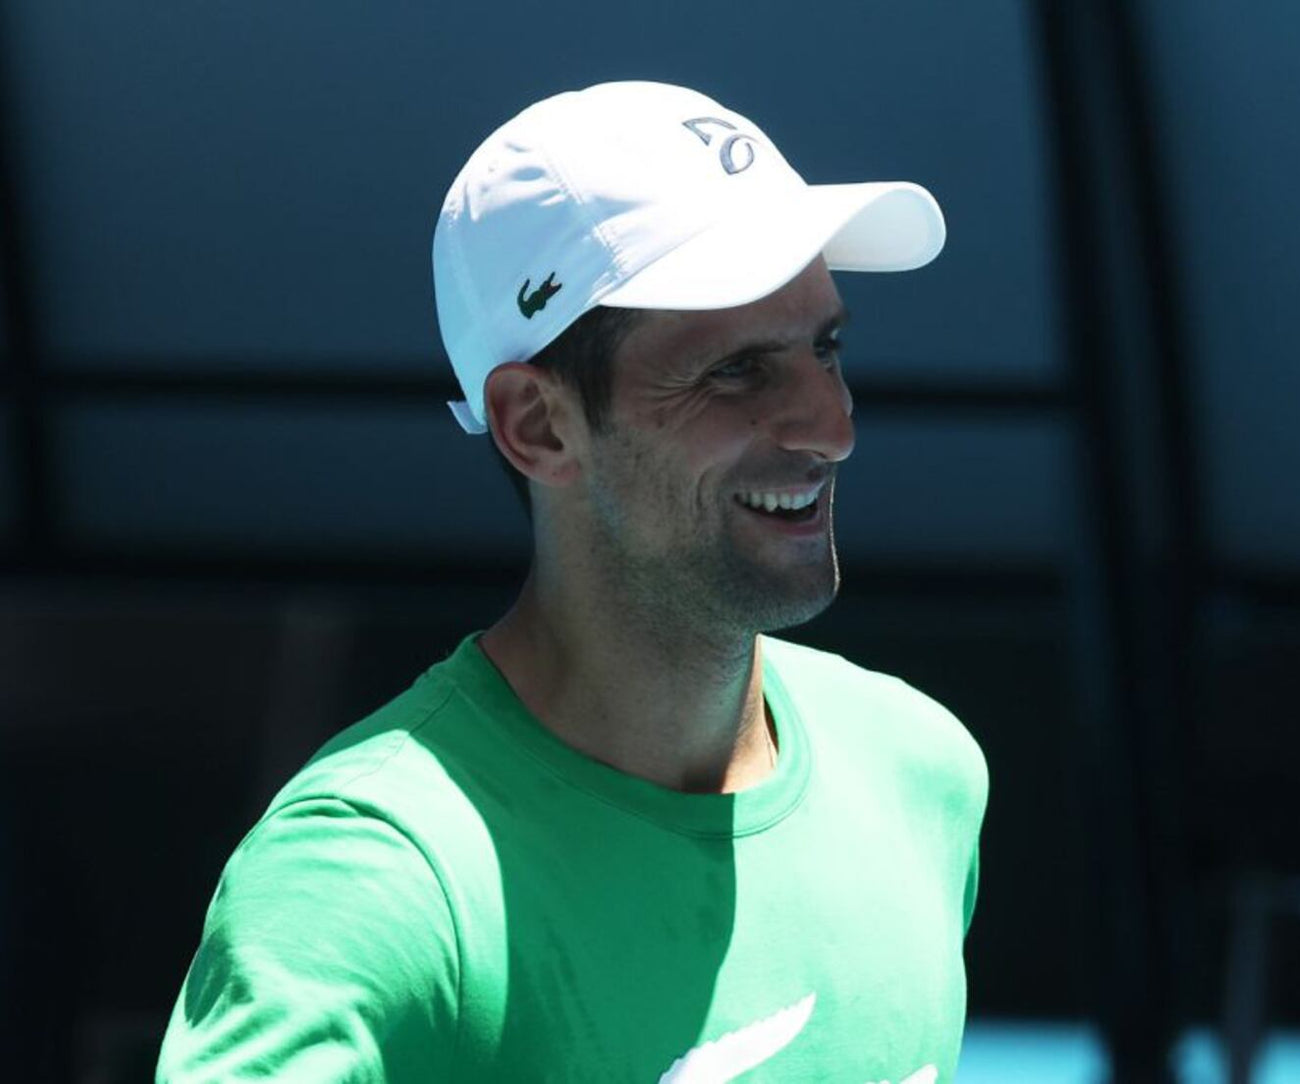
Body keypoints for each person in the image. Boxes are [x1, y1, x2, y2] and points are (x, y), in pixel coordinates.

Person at [157, 81, 988, 1082]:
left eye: (825, 347)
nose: (831, 425)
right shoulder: (373, 877)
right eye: (734, 371)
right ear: (537, 426)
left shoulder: (920, 772)